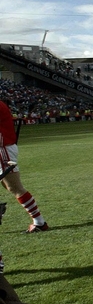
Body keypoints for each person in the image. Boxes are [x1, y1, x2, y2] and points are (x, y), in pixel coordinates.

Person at [0, 99, 49, 234]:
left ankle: (39, 222)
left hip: (3, 149)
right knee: (8, 185)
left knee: (14, 187)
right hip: (4, 148)